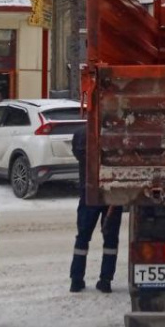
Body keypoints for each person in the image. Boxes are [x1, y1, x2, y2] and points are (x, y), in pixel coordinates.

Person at [69, 122, 122, 293]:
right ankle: (105, 281)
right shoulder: (118, 135)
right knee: (111, 239)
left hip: (89, 194)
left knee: (82, 237)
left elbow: (78, 154)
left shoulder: (80, 134)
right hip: (112, 194)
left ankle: (76, 280)